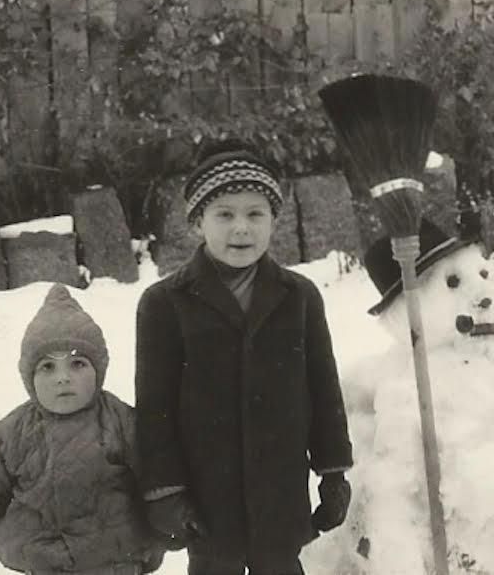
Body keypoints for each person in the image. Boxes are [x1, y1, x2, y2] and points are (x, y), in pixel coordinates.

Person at [135, 140, 353, 575]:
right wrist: (164, 492)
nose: (241, 228)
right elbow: (154, 408)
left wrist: (333, 472)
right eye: (224, 214)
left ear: (275, 220)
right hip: (207, 503)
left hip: (283, 498)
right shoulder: (165, 303)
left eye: (255, 213)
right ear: (198, 222)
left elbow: (324, 390)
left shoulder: (300, 297)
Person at [0, 283, 167, 575]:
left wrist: (150, 543)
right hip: (46, 564)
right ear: (28, 377)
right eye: (48, 367)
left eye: (77, 363)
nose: (63, 378)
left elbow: (156, 484)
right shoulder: (10, 434)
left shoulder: (122, 423)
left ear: (98, 370)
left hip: (117, 563)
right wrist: (8, 542)